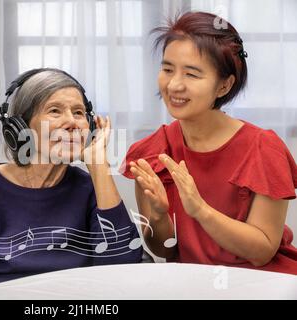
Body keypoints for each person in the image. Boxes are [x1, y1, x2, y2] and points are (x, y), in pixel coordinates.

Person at [0, 68, 143, 299]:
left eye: (79, 112)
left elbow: (123, 269)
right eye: (54, 111)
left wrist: (99, 166)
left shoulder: (90, 188)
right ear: (21, 127)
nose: (71, 122)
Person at [120, 12, 297, 274]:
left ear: (224, 86)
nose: (174, 85)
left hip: (266, 283)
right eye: (168, 69)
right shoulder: (152, 152)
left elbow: (262, 252)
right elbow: (164, 250)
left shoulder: (263, 148)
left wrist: (200, 210)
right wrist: (158, 216)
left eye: (192, 74)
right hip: (194, 285)